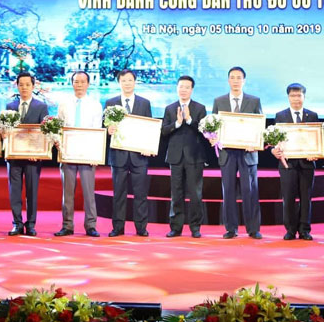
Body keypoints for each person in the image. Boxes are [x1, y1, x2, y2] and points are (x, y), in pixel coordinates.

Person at [212, 66, 264, 239]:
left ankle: (253, 228)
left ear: (244, 81)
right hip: (227, 152)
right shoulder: (219, 101)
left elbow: (260, 127)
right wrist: (212, 137)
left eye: (239, 77)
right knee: (228, 191)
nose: (235, 81)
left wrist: (256, 143)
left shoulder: (254, 101)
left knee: (250, 191)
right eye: (232, 77)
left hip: (248, 154)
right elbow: (212, 126)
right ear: (228, 80)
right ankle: (231, 228)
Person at [105, 69, 153, 237]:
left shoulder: (144, 103)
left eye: (130, 80)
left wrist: (148, 147)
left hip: (139, 156)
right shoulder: (110, 103)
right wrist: (108, 129)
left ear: (134, 82)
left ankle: (141, 227)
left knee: (141, 194)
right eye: (123, 80)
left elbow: (149, 128)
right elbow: (104, 125)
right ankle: (118, 227)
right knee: (119, 193)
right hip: (118, 155)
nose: (127, 83)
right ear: (119, 83)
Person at [54, 71, 103, 237]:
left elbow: (97, 131)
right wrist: (57, 141)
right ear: (72, 83)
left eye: (82, 82)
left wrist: (95, 154)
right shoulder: (64, 104)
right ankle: (67, 225)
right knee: (67, 193)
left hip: (87, 154)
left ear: (88, 84)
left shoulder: (95, 105)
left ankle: (91, 225)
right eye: (76, 81)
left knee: (89, 192)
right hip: (68, 153)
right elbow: (59, 127)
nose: (79, 85)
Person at [161, 75, 207, 238]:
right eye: (181, 86)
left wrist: (188, 120)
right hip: (175, 156)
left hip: (195, 156)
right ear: (177, 88)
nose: (183, 90)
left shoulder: (200, 108)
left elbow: (204, 131)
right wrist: (177, 123)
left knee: (195, 194)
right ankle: (176, 227)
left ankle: (195, 227)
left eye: (187, 87)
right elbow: (164, 131)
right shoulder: (170, 108)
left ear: (192, 90)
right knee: (176, 193)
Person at [273, 83, 319, 240]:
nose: (296, 99)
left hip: (307, 164)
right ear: (288, 97)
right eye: (293, 96)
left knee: (306, 198)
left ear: (304, 97)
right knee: (288, 197)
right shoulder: (280, 116)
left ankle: (304, 229)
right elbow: (275, 140)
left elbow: (316, 140)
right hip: (288, 165)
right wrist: (274, 150)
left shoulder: (312, 116)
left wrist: (315, 153)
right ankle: (290, 230)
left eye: (299, 95)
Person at [5, 72, 48, 236]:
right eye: (21, 84)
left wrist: (38, 152)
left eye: (27, 84)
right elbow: (6, 130)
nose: (24, 87)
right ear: (17, 86)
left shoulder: (41, 106)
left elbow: (44, 132)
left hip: (33, 157)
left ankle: (30, 224)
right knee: (14, 191)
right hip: (14, 157)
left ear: (33, 86)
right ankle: (17, 223)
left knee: (32, 191)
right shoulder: (10, 106)